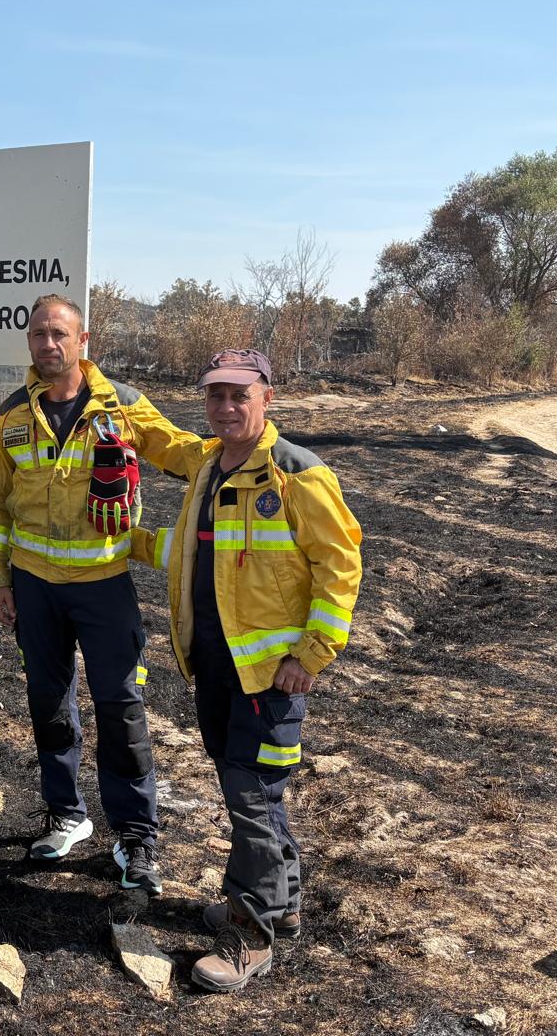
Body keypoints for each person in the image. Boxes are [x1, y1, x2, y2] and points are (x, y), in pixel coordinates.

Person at [136, 348, 361, 993]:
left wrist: (311, 655)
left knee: (249, 791)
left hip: (272, 676)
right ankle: (281, 903)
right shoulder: (210, 466)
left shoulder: (297, 474)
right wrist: (132, 541)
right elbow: (192, 554)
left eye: (240, 395)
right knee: (251, 787)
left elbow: (340, 567)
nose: (227, 407)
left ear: (267, 399)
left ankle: (250, 929)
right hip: (212, 663)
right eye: (216, 396)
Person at [0, 294, 198, 893]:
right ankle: (67, 814)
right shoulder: (10, 416)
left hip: (104, 586)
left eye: (59, 334)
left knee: (120, 710)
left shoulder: (120, 406)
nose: (48, 344)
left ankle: (136, 837)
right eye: (38, 334)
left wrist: (238, 449)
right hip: (34, 590)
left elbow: (180, 450)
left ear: (83, 341)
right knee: (50, 708)